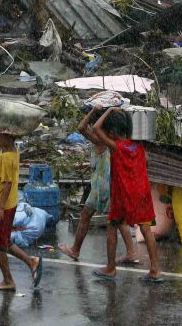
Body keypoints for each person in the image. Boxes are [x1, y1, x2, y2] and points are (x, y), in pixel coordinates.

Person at [87, 106, 163, 283]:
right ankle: (155, 270)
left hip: (123, 194)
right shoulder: (139, 147)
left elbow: (96, 128)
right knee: (146, 229)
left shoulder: (116, 147)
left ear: (113, 132)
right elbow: (146, 164)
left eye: (109, 131)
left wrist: (109, 110)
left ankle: (110, 268)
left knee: (112, 227)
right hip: (142, 192)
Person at [59, 108, 140, 265]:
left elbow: (81, 127)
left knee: (113, 220)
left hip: (102, 187)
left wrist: (96, 110)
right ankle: (76, 249)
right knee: (93, 216)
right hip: (105, 185)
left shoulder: (100, 140)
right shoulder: (114, 140)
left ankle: (125, 254)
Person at [0, 131, 42, 291]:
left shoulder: (7, 157)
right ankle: (31, 262)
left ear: (9, 137)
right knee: (4, 242)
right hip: (7, 204)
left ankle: (8, 280)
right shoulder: (9, 150)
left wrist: (0, 208)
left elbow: (8, 184)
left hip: (2, 206)